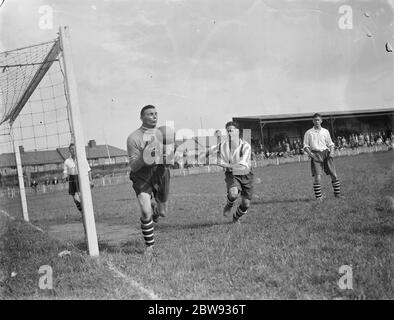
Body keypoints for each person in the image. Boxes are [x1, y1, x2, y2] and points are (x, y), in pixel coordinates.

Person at [126, 105, 172, 254]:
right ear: (141, 117)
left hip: (160, 172)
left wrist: (170, 153)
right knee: (146, 212)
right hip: (141, 174)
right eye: (150, 114)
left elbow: (170, 159)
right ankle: (149, 247)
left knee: (163, 212)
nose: (154, 116)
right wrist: (144, 155)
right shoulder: (133, 138)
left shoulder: (164, 134)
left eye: (156, 113)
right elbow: (133, 166)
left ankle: (157, 212)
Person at [204, 121, 254, 223]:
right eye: (228, 131)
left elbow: (241, 166)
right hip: (232, 174)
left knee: (246, 204)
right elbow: (210, 150)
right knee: (233, 193)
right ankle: (229, 204)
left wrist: (223, 164)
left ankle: (236, 217)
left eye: (231, 131)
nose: (229, 133)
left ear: (237, 131)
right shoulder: (223, 145)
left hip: (246, 174)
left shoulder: (246, 146)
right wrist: (203, 155)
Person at [303, 113, 344, 201]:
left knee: (334, 175)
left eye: (318, 120)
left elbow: (330, 143)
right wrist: (311, 155)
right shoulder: (308, 132)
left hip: (326, 154)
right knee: (317, 177)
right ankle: (319, 197)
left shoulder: (325, 131)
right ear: (312, 121)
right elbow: (305, 146)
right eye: (315, 120)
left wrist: (332, 152)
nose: (316, 121)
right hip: (316, 155)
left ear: (321, 121)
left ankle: (337, 194)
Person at [62, 143, 93, 239]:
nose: (73, 150)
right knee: (76, 200)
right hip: (72, 181)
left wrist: (91, 180)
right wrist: (64, 176)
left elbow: (88, 171)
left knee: (81, 199)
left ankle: (86, 217)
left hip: (81, 179)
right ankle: (84, 213)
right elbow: (65, 173)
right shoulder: (67, 161)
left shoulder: (82, 159)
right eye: (71, 149)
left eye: (74, 149)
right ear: (69, 151)